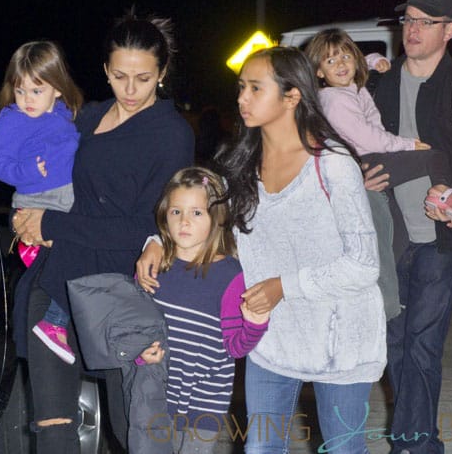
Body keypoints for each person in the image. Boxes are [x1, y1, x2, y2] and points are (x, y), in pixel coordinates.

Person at [138, 47, 387, 454]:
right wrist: (154, 243)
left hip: (340, 341)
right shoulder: (242, 165)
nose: (242, 98)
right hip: (272, 340)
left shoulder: (333, 165)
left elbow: (363, 265)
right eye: (241, 88)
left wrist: (282, 287)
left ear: (292, 96)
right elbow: (202, 220)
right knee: (260, 449)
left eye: (256, 88)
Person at [12, 10, 195, 453]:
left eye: (143, 78)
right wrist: (26, 212)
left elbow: (146, 225)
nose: (130, 90)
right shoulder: (85, 119)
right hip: (56, 286)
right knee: (53, 429)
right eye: (119, 76)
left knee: (129, 427)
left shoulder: (170, 134)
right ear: (104, 71)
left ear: (163, 74)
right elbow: (45, 175)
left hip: (121, 296)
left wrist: (52, 224)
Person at [365, 0, 452, 453]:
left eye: (426, 21)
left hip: (441, 237)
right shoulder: (379, 84)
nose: (413, 29)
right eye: (409, 20)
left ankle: (413, 446)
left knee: (422, 344)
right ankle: (420, 440)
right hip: (391, 236)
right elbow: (357, 146)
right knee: (395, 346)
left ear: (450, 30)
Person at [304, 28, 452, 320]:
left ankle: (386, 299)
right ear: (318, 72)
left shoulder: (348, 88)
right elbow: (368, 137)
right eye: (331, 62)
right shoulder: (334, 100)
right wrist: (407, 144)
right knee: (432, 156)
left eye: (345, 56)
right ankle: (443, 198)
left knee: (397, 235)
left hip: (370, 159)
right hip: (371, 160)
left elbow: (359, 66)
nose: (342, 64)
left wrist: (372, 60)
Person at [136, 166, 269, 454]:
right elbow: (132, 328)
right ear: (164, 215)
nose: (184, 221)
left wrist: (255, 324)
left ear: (215, 218)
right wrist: (139, 354)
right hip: (153, 396)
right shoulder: (151, 268)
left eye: (197, 213)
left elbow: (235, 348)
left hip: (204, 405)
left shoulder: (230, 276)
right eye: (176, 212)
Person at [0, 40, 83, 365]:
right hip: (36, 199)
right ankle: (54, 323)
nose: (27, 99)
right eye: (20, 90)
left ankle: (58, 324)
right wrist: (24, 170)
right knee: (71, 257)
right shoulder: (12, 119)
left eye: (36, 90)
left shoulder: (64, 115)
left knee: (82, 258)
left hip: (68, 197)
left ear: (57, 89)